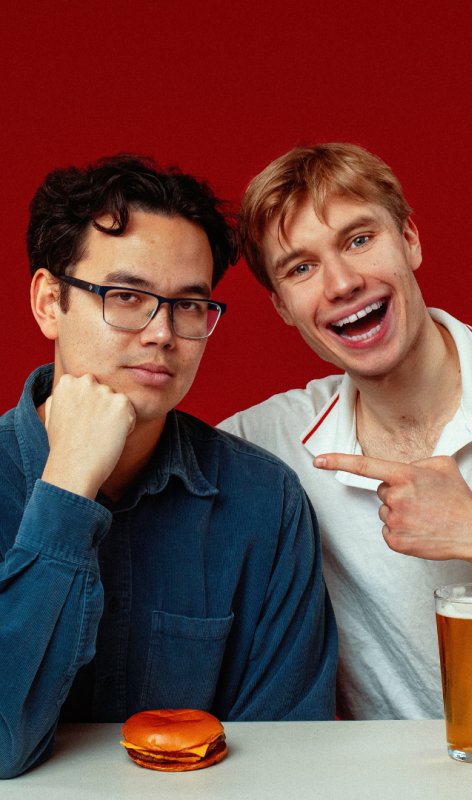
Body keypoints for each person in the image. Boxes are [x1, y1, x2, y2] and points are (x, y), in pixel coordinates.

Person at [0, 154, 337, 779]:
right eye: (126, 296)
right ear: (49, 301)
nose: (163, 333)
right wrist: (68, 485)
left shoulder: (265, 503)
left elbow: (290, 760)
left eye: (188, 305)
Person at [219, 142, 472, 721]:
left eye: (358, 239)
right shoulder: (268, 443)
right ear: (281, 306)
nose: (342, 282)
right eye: (301, 268)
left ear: (410, 240)